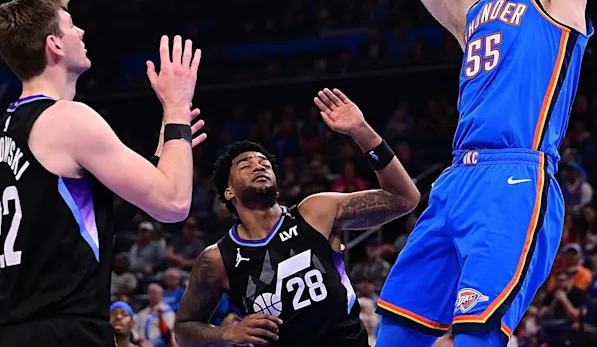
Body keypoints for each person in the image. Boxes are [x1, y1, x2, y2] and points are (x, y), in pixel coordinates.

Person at [343, 0, 592, 347]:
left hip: (515, 178)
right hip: (455, 181)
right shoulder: (470, 12)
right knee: (397, 332)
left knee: (477, 335)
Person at [0, 0, 206, 346]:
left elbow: (83, 222)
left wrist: (162, 155)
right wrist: (177, 106)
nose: (82, 33)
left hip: (11, 331)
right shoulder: (68, 119)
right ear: (54, 44)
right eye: (71, 25)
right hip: (66, 332)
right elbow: (174, 203)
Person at [174, 88, 420, 346]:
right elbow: (183, 329)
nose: (258, 166)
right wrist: (226, 333)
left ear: (277, 187)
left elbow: (404, 198)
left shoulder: (315, 212)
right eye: (246, 165)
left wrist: (361, 131)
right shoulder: (216, 259)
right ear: (228, 191)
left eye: (265, 165)